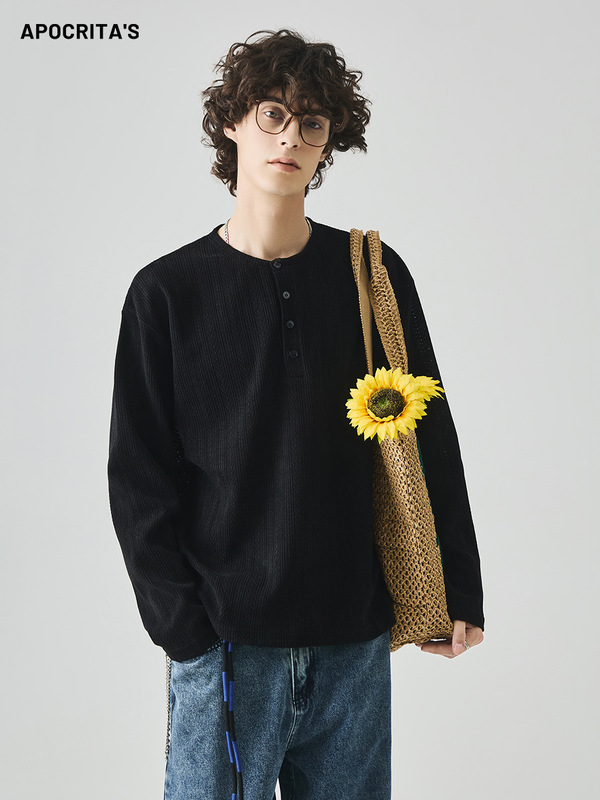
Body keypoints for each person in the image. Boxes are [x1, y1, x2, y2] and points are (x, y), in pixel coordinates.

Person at [107, 28, 484, 800]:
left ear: (328, 143)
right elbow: (139, 478)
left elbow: (429, 435)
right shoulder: (166, 292)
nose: (290, 138)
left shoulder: (371, 274)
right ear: (232, 123)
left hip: (354, 641)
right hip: (226, 645)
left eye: (312, 123)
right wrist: (185, 632)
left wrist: (459, 586)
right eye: (273, 114)